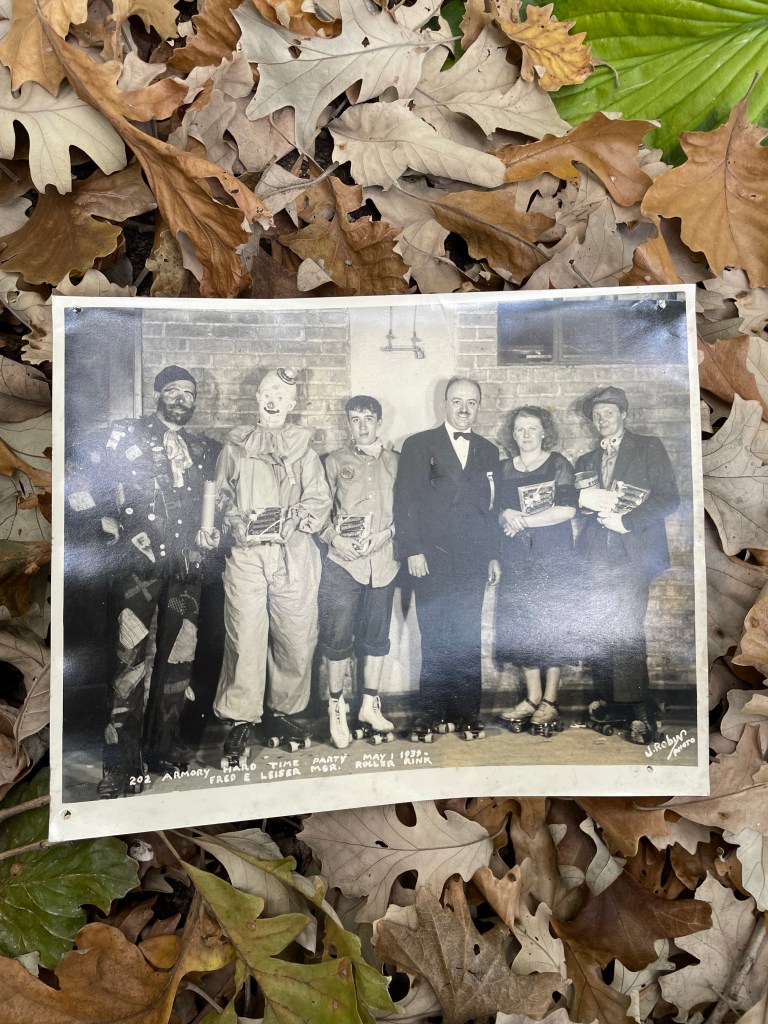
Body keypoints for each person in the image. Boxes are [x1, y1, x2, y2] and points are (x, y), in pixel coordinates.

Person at [66, 365, 221, 798]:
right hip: (138, 565)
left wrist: (214, 533)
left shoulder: (204, 448)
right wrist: (101, 518)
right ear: (157, 394)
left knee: (179, 656)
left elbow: (217, 502)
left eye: (188, 393)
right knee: (129, 659)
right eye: (172, 391)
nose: (181, 399)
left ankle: (162, 748)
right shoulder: (123, 435)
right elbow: (74, 466)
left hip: (187, 568)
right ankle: (119, 764)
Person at [212, 367, 332, 764]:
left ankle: (282, 712)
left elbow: (319, 500)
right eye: (266, 392)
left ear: (293, 403)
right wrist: (235, 520)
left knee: (296, 635)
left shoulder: (305, 451)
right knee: (244, 635)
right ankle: (241, 718)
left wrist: (294, 519)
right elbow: (220, 494)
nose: (272, 399)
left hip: (293, 552)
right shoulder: (236, 447)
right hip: (248, 553)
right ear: (256, 398)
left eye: (281, 395)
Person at [393, 377, 500, 741]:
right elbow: (404, 501)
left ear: (479, 406)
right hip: (431, 557)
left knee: (467, 634)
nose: (464, 409)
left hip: (473, 558)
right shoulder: (418, 444)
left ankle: (467, 712)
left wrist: (492, 556)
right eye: (457, 401)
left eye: (471, 402)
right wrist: (412, 550)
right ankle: (430, 711)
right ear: (445, 403)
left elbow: (491, 508)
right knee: (435, 634)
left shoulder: (488, 449)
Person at [575, 386, 679, 742]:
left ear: (623, 414)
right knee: (601, 627)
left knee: (626, 628)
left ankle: (639, 711)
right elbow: (581, 508)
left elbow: (669, 499)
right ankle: (614, 702)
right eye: (596, 415)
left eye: (608, 412)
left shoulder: (648, 447)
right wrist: (582, 501)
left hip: (634, 552)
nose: (601, 419)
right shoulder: (587, 460)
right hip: (596, 555)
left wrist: (627, 522)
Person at [318, 396, 399, 748]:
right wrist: (335, 539)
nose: (363, 425)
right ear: (348, 424)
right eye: (355, 419)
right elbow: (319, 511)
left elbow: (409, 510)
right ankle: (336, 707)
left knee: (377, 637)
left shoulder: (397, 462)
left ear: (379, 422)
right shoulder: (334, 461)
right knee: (337, 638)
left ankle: (369, 705)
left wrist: (388, 534)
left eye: (369, 418)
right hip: (343, 564)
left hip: (384, 563)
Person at [495, 406, 577, 736]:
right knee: (523, 624)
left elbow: (568, 509)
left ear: (544, 432)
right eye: (520, 429)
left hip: (553, 555)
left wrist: (524, 520)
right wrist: (505, 515)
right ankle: (532, 698)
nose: (526, 434)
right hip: (517, 557)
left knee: (552, 622)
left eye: (532, 428)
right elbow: (497, 509)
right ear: (512, 435)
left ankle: (551, 700)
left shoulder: (558, 463)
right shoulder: (504, 468)